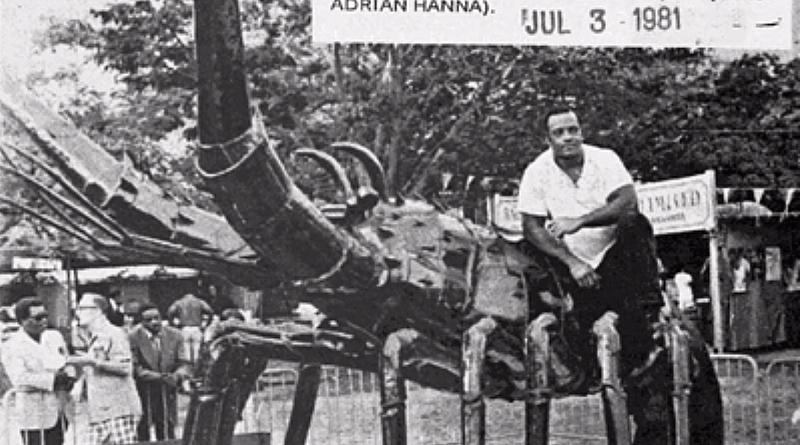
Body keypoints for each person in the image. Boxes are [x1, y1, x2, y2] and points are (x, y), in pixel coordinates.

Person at [517, 107, 662, 380]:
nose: (568, 137)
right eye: (559, 133)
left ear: (582, 132)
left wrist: (579, 221)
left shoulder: (605, 159)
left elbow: (627, 202)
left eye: (573, 130)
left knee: (635, 223)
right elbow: (531, 226)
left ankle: (650, 317)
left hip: (613, 258)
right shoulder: (536, 171)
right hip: (570, 264)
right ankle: (545, 344)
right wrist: (572, 263)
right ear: (548, 141)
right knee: (525, 249)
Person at [1, 297, 74, 445]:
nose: (44, 321)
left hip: (59, 408)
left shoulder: (54, 337)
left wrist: (70, 374)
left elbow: (66, 360)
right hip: (33, 413)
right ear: (22, 320)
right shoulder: (12, 346)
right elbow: (19, 378)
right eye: (38, 318)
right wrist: (52, 380)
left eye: (46, 316)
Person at [70, 293, 141, 445]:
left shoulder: (115, 333)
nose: (77, 313)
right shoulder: (95, 336)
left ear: (98, 311)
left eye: (82, 308)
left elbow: (125, 367)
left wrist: (92, 362)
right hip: (99, 412)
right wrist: (81, 383)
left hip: (119, 410)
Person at [128, 303, 190, 441]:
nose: (154, 322)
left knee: (167, 425)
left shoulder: (175, 335)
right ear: (141, 322)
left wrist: (177, 375)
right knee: (143, 425)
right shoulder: (132, 336)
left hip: (168, 389)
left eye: (157, 318)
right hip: (144, 388)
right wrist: (159, 377)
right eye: (149, 320)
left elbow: (184, 363)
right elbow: (134, 367)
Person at [167, 293, 214, 364]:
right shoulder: (200, 302)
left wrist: (173, 325)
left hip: (184, 328)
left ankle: (188, 371)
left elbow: (170, 312)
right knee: (197, 352)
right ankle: (196, 370)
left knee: (185, 354)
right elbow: (210, 311)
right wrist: (207, 324)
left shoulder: (179, 302)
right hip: (196, 328)